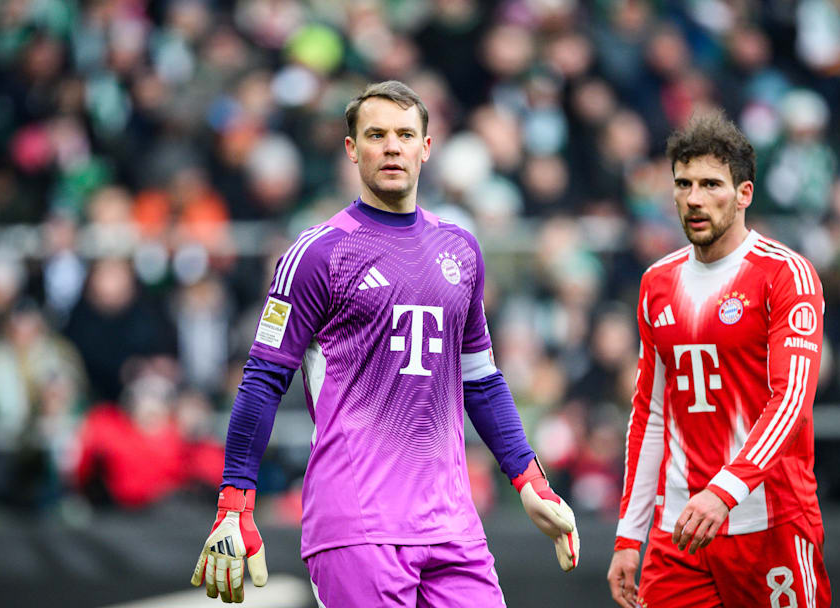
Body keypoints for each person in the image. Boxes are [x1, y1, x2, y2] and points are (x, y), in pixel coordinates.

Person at [190, 81, 579, 605]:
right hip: (357, 524)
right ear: (352, 149)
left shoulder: (461, 250)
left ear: (426, 147)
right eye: (376, 135)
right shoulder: (318, 254)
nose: (392, 146)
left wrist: (529, 480)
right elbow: (261, 380)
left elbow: (481, 380)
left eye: (404, 134)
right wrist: (234, 504)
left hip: (452, 525)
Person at [607, 110, 831, 608]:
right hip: (680, 533)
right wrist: (629, 535)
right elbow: (651, 414)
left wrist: (724, 489)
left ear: (744, 194)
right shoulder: (656, 283)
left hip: (767, 521)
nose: (694, 199)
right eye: (683, 184)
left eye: (711, 184)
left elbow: (791, 399)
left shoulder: (786, 275)